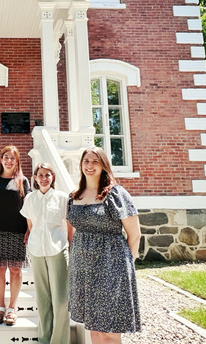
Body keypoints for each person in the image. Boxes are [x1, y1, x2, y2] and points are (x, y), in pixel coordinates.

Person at [67, 146, 141, 344]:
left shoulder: (115, 194)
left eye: (95, 161)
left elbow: (134, 235)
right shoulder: (75, 196)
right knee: (93, 328)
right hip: (84, 270)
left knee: (109, 331)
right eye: (86, 161)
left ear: (103, 165)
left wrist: (125, 267)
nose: (89, 166)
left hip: (111, 267)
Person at [20, 163, 73, 344]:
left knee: (60, 300)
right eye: (40, 175)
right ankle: (44, 339)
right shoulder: (30, 198)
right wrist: (30, 235)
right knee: (42, 299)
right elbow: (30, 223)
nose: (44, 178)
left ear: (53, 177)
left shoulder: (62, 198)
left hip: (57, 250)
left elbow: (69, 224)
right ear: (35, 178)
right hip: (36, 250)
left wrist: (70, 245)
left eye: (47, 175)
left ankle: (59, 341)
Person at [0, 145, 31, 326]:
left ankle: (12, 308)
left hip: (18, 230)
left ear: (17, 161)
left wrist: (28, 229)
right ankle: (1, 306)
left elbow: (29, 208)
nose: (9, 160)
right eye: (6, 157)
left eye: (13, 157)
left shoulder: (23, 181)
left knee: (16, 269)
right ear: (1, 160)